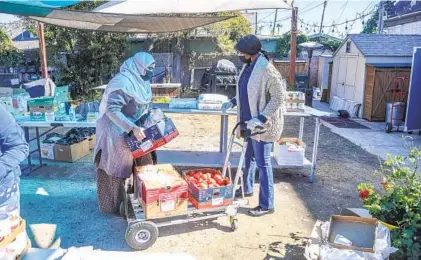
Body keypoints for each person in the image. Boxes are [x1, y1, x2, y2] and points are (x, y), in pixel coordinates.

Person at [222, 34, 285, 217]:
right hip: (248, 121)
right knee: (248, 156)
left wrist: (262, 117)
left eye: (241, 51)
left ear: (249, 52)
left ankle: (266, 204)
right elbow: (247, 89)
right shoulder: (248, 65)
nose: (239, 54)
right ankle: (247, 188)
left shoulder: (268, 70)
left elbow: (279, 97)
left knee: (263, 163)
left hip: (262, 125)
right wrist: (233, 101)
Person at [94, 52, 156, 214]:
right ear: (139, 67)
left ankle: (140, 198)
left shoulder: (142, 81)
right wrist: (132, 128)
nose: (152, 71)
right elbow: (112, 110)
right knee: (116, 168)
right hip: (113, 131)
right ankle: (115, 206)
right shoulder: (122, 82)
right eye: (149, 68)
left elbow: (142, 104)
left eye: (153, 67)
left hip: (133, 128)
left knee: (144, 161)